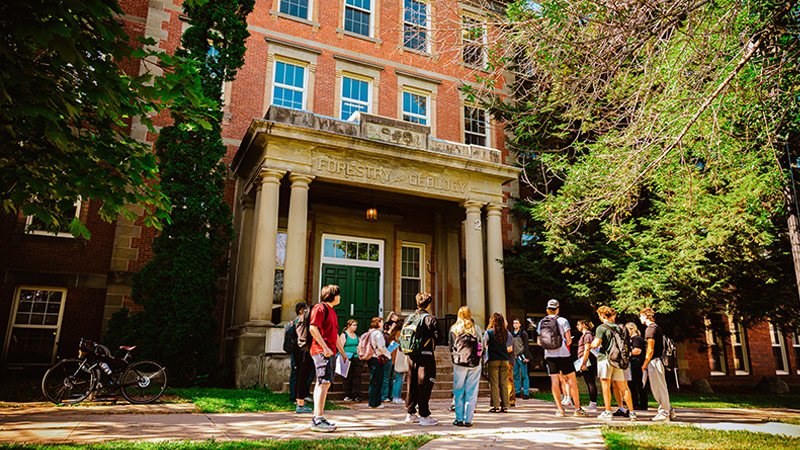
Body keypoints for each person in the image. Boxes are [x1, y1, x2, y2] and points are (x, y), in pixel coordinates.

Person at [537, 299, 586, 417]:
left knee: (554, 381)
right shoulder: (563, 321)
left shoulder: (542, 322)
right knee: (572, 381)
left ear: (547, 309)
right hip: (563, 354)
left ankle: (560, 409)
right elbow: (569, 340)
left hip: (549, 355)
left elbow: (539, 342)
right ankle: (577, 409)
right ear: (558, 308)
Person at [591, 305, 636, 421]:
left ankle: (608, 412)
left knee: (606, 386)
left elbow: (595, 344)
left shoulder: (601, 328)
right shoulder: (618, 327)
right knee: (623, 387)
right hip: (617, 360)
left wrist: (591, 344)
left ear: (602, 315)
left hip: (605, 359)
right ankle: (631, 412)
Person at [308, 285, 341, 432]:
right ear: (332, 295)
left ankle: (319, 417)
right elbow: (313, 328)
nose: (340, 297)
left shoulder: (332, 311)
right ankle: (317, 419)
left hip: (330, 352)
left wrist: (342, 352)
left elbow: (335, 334)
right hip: (322, 351)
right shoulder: (320, 309)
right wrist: (325, 348)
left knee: (325, 384)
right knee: (323, 383)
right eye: (338, 295)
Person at [404, 292, 439, 426]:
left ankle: (410, 413)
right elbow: (438, 337)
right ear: (428, 304)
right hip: (426, 354)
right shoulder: (430, 318)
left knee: (411, 383)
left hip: (411, 355)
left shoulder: (409, 317)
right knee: (425, 384)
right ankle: (424, 415)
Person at [639, 308, 676, 421]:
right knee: (661, 387)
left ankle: (664, 413)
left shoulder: (650, 330)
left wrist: (645, 363)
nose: (640, 319)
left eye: (640, 316)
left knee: (658, 388)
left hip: (654, 361)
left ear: (646, 316)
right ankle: (669, 410)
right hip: (658, 360)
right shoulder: (657, 328)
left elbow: (650, 349)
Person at [449, 306, 483, 427]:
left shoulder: (454, 329)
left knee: (458, 391)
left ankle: (458, 418)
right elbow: (481, 346)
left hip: (459, 363)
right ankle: (468, 419)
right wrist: (478, 357)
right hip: (474, 363)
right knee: (471, 391)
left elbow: (451, 347)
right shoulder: (476, 329)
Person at [484, 312, 511, 413]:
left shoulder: (489, 332)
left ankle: (496, 406)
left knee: (494, 383)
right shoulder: (506, 333)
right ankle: (505, 405)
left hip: (493, 359)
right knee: (503, 383)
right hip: (504, 359)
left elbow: (484, 344)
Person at [290, 302, 314, 414]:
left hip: (300, 351)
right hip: (301, 351)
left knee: (302, 376)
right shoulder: (301, 321)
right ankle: (298, 400)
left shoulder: (300, 321)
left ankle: (299, 398)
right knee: (300, 376)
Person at [366, 316, 392, 408]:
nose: (382, 324)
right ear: (377, 323)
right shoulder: (378, 334)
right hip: (377, 358)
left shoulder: (369, 333)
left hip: (370, 357)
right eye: (381, 322)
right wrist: (388, 355)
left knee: (373, 380)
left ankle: (372, 401)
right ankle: (375, 402)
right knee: (378, 380)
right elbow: (381, 347)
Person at [336, 319, 362, 402]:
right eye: (353, 325)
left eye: (356, 325)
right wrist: (344, 355)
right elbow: (340, 346)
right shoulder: (344, 335)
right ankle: (348, 394)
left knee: (357, 376)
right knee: (347, 376)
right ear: (348, 326)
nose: (355, 327)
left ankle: (357, 394)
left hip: (356, 357)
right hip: (347, 357)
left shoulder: (356, 335)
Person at [576, 320, 598, 411]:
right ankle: (592, 402)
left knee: (590, 381)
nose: (577, 326)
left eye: (578, 324)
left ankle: (593, 403)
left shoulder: (588, 335)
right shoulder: (584, 335)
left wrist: (584, 363)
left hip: (588, 361)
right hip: (584, 360)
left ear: (584, 325)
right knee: (588, 381)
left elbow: (587, 349)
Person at [626, 322, 647, 411]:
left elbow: (637, 350)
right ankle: (635, 402)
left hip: (637, 364)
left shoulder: (637, 339)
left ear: (632, 329)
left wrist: (627, 354)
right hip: (634, 364)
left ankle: (641, 404)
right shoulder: (632, 339)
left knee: (637, 384)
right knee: (632, 384)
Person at [510, 317, 532, 399]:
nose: (515, 324)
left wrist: (527, 356)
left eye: (516, 323)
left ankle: (526, 392)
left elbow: (526, 345)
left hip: (522, 356)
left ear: (520, 324)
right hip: (514, 356)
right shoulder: (511, 334)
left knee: (524, 375)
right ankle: (517, 391)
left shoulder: (523, 333)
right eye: (514, 323)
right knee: (515, 375)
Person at [381, 312, 400, 402]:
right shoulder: (385, 335)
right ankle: (384, 396)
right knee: (386, 378)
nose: (395, 325)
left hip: (393, 358)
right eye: (393, 324)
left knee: (391, 377)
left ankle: (390, 395)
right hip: (387, 358)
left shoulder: (394, 335)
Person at [388, 325, 406, 404]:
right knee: (400, 378)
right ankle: (396, 396)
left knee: (395, 378)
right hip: (399, 357)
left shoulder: (392, 335)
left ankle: (393, 395)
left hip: (393, 358)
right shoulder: (400, 334)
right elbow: (401, 345)